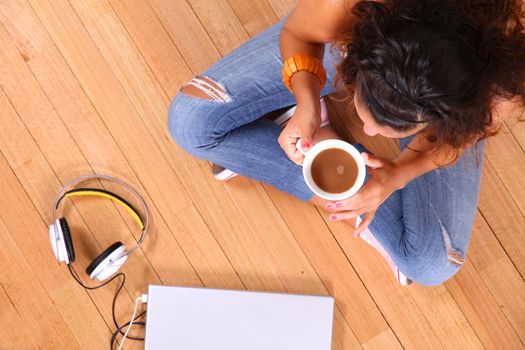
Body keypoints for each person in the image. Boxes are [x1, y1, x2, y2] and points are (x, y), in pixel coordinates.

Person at [167, 0, 525, 286]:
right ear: (355, 65)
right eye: (365, 113)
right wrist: (304, 99)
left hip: (454, 84)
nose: (367, 133)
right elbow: (299, 32)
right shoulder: (347, 6)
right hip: (372, 31)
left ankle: (330, 164)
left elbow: (460, 138)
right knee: (190, 124)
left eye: (390, 129)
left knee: (431, 266)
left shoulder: (498, 80)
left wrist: (401, 173)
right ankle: (322, 141)